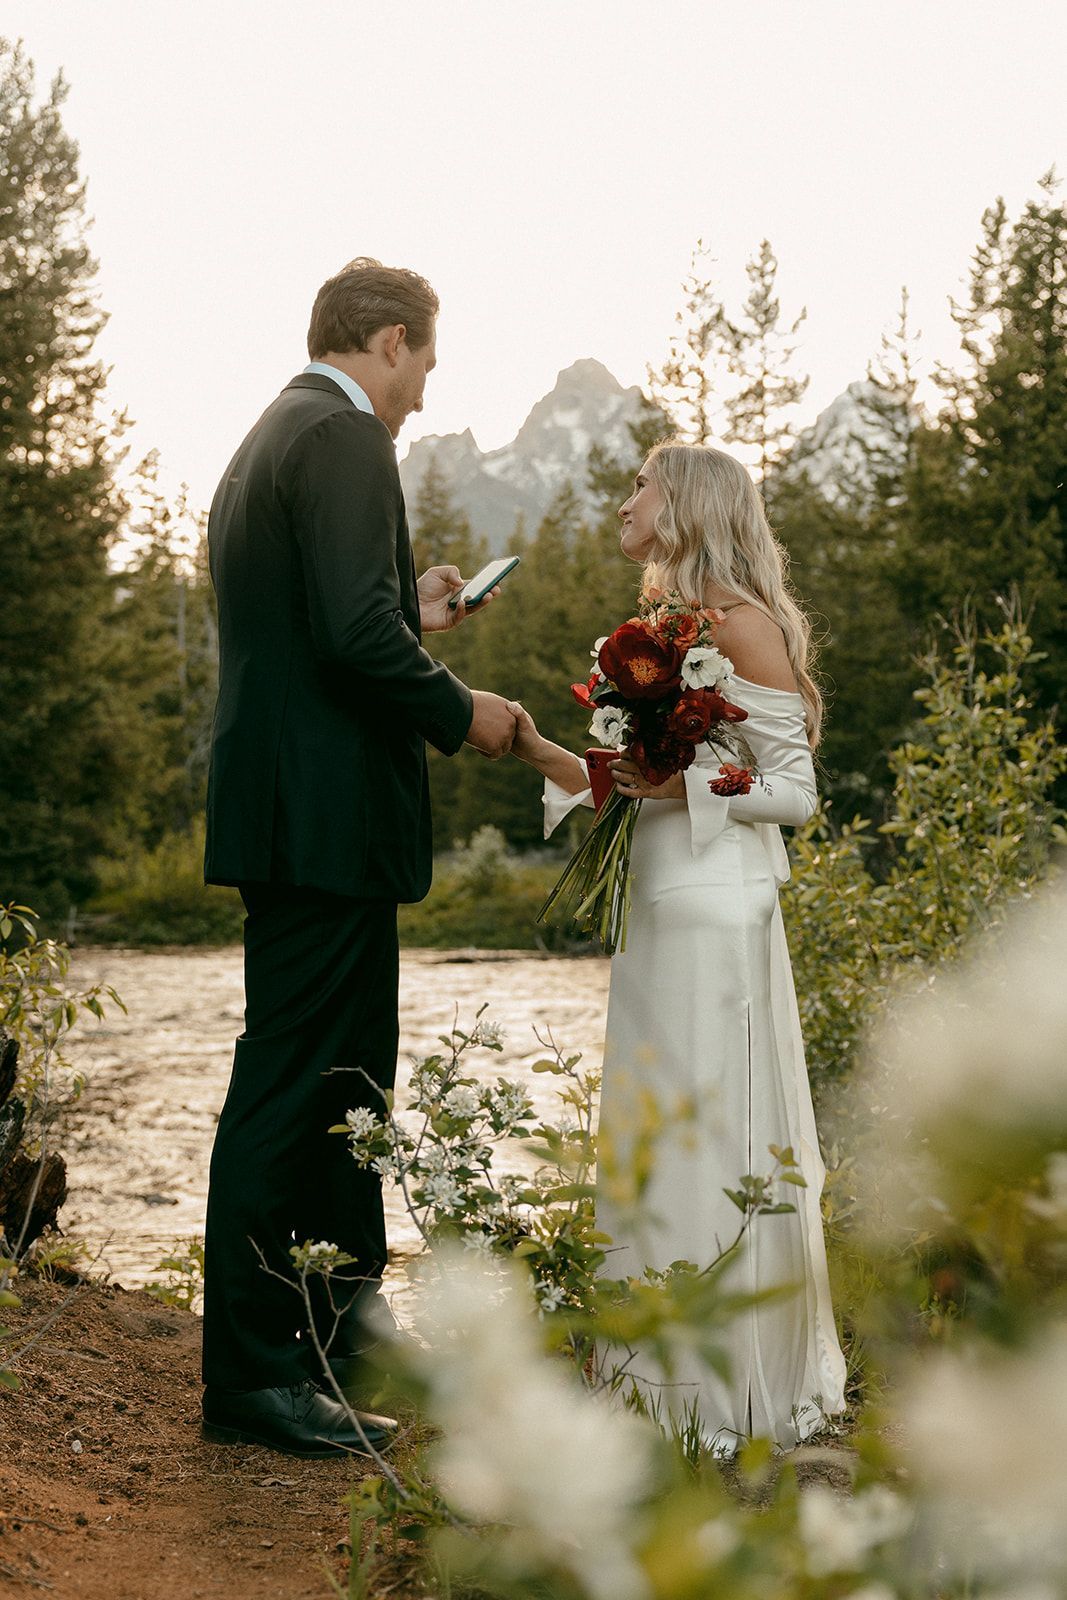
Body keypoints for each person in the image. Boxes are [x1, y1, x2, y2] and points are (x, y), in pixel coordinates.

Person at [200, 258, 517, 1458]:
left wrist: (409, 607)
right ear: (386, 343)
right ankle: (252, 1375)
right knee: (292, 1089)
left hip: (299, 817)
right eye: (423, 364)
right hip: (319, 823)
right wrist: (458, 708)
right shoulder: (339, 438)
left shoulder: (272, 434)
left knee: (342, 1083)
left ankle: (340, 1314)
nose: (423, 396)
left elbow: (321, 618)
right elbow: (343, 638)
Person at [510, 441, 847, 1454]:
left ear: (686, 505)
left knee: (706, 1127)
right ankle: (643, 1373)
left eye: (641, 485)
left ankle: (716, 1393)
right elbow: (633, 778)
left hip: (717, 909)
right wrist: (539, 749)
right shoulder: (662, 632)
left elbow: (793, 792)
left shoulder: (742, 627)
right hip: (661, 902)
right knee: (651, 1125)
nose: (625, 500)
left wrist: (685, 785)